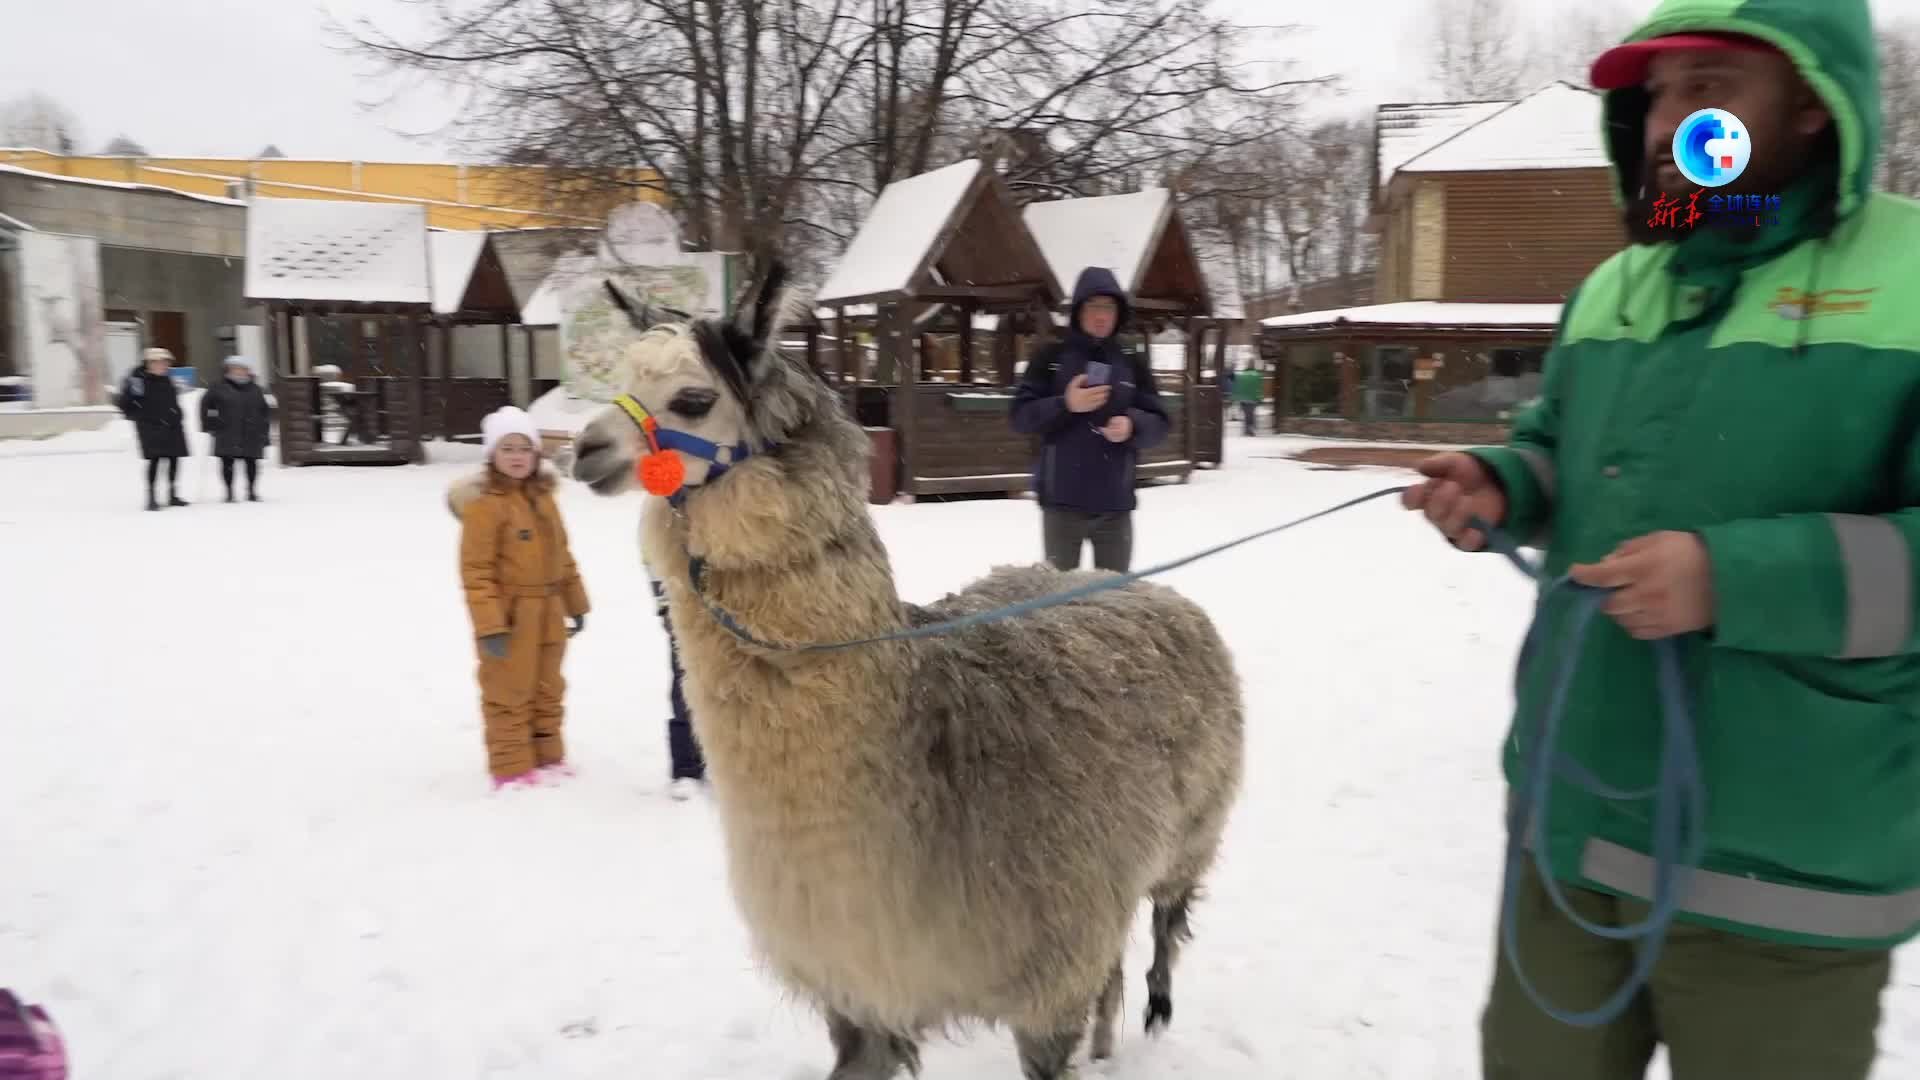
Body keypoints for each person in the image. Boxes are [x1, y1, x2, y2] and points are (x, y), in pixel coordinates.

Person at [1404, 4, 1919, 1077]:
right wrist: (1503, 482)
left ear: (1815, 109)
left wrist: (1738, 578)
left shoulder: (1911, 276)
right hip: (1574, 828)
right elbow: (1561, 447)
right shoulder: (1615, 286)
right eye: (1660, 92)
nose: (1670, 122)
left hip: (1784, 877)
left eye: (1713, 89)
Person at [455, 406, 590, 790]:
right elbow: (476, 573)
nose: (516, 456)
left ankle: (547, 757)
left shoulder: (546, 499)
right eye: (507, 448)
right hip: (510, 616)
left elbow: (562, 556)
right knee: (508, 691)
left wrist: (575, 602)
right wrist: (490, 625)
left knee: (548, 687)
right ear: (492, 455)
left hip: (548, 611)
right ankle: (511, 767)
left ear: (535, 454)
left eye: (523, 448)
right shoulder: (485, 505)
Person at [1010, 266, 1170, 573]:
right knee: (1058, 607)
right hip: (1061, 506)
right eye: (1093, 306)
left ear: (1118, 312)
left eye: (1108, 307)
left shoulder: (1132, 361)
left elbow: (1160, 423)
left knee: (1112, 605)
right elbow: (1021, 418)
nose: (1101, 315)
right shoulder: (1051, 357)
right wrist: (1065, 403)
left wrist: (1132, 425)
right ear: (1078, 310)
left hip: (1115, 507)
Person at [651, 575, 707, 800]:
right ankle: (687, 769)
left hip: (737, 600)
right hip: (684, 599)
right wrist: (665, 603)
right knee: (685, 684)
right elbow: (654, 555)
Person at [116, 348, 188, 511]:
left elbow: (172, 401)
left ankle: (172, 494)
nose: (164, 366)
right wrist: (141, 416)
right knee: (155, 461)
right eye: (160, 363)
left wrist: (178, 414)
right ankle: (151, 497)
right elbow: (125, 403)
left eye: (166, 363)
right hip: (150, 427)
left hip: (172, 425)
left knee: (174, 459)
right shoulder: (138, 381)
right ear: (150, 363)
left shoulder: (167, 380)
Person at [199, 356, 271, 502]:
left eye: (243, 369)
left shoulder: (255, 389)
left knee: (251, 462)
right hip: (226, 430)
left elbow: (264, 411)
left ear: (248, 371)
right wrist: (211, 422)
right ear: (228, 370)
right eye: (235, 369)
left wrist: (264, 430)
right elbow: (207, 406)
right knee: (227, 462)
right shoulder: (218, 387)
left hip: (251, 431)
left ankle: (251, 491)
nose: (239, 372)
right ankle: (229, 492)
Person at [1230, 360, 1263, 437]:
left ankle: (1247, 429)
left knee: (1246, 414)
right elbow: (1259, 388)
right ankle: (1250, 429)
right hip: (1252, 399)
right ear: (1253, 365)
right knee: (1251, 414)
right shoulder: (1257, 375)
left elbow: (1237, 387)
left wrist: (1235, 397)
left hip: (1243, 399)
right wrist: (1259, 397)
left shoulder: (1242, 375)